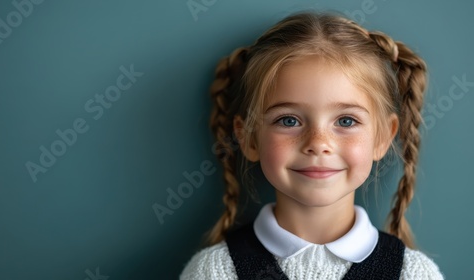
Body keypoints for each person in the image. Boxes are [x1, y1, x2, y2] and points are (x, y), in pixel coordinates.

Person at [180, 11, 443, 279]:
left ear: (383, 137)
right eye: (289, 120)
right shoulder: (213, 272)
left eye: (346, 120)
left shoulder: (413, 274)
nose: (318, 144)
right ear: (248, 137)